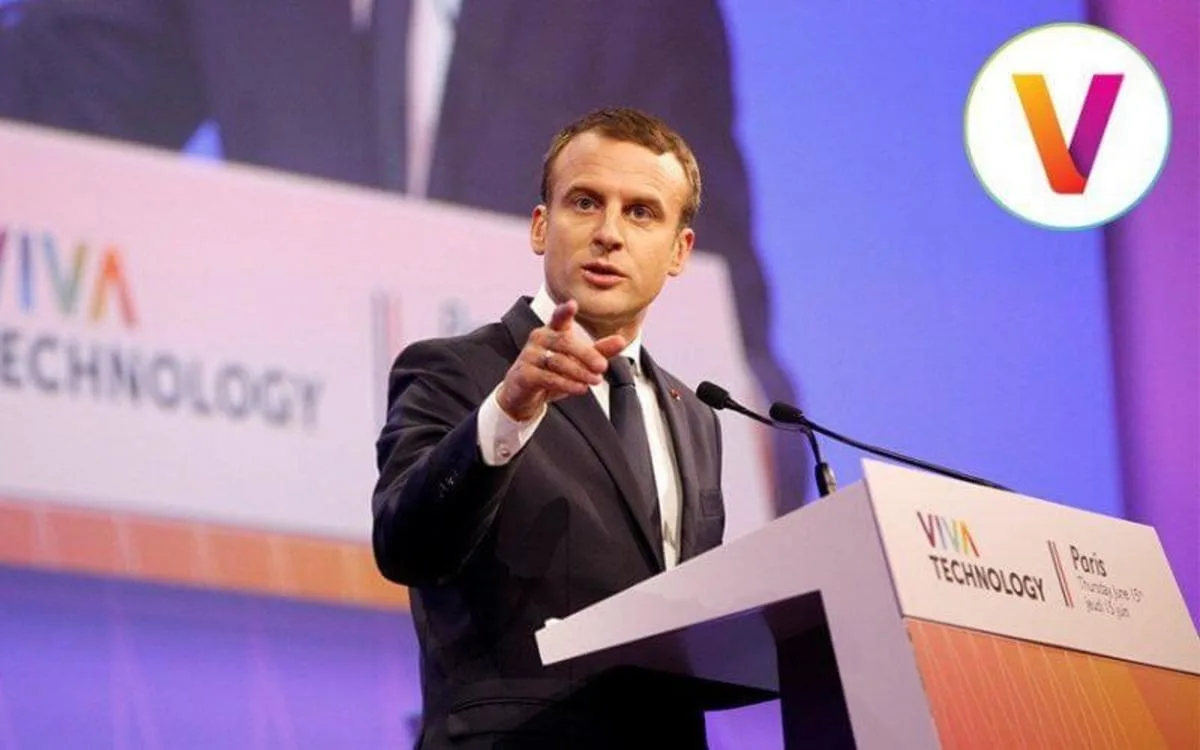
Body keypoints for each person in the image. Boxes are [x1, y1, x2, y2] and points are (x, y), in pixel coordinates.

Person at [0, 0, 810, 513]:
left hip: (548, 504)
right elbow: (54, 99)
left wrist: (749, 454)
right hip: (274, 457)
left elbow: (715, 305)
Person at [374, 108, 726, 748]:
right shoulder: (457, 370)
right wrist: (508, 410)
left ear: (679, 251)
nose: (609, 234)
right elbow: (406, 546)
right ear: (541, 226)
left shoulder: (697, 416)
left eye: (641, 212)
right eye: (585, 203)